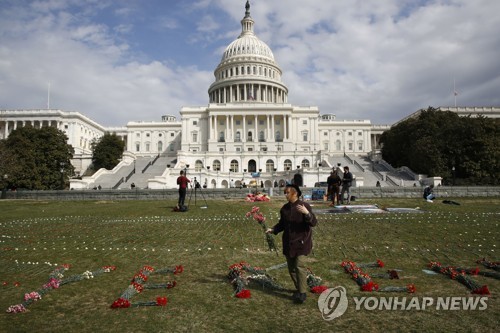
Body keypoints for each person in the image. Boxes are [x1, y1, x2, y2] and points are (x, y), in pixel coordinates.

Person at [266, 184, 318, 304]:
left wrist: (307, 214)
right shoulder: (284, 208)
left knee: (299, 266)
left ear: (295, 193)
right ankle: (299, 288)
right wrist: (273, 230)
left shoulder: (304, 206)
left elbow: (313, 223)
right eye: (284, 192)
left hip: (302, 242)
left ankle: (302, 294)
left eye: (287, 192)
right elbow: (282, 224)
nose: (285, 194)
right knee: (292, 269)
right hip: (289, 242)